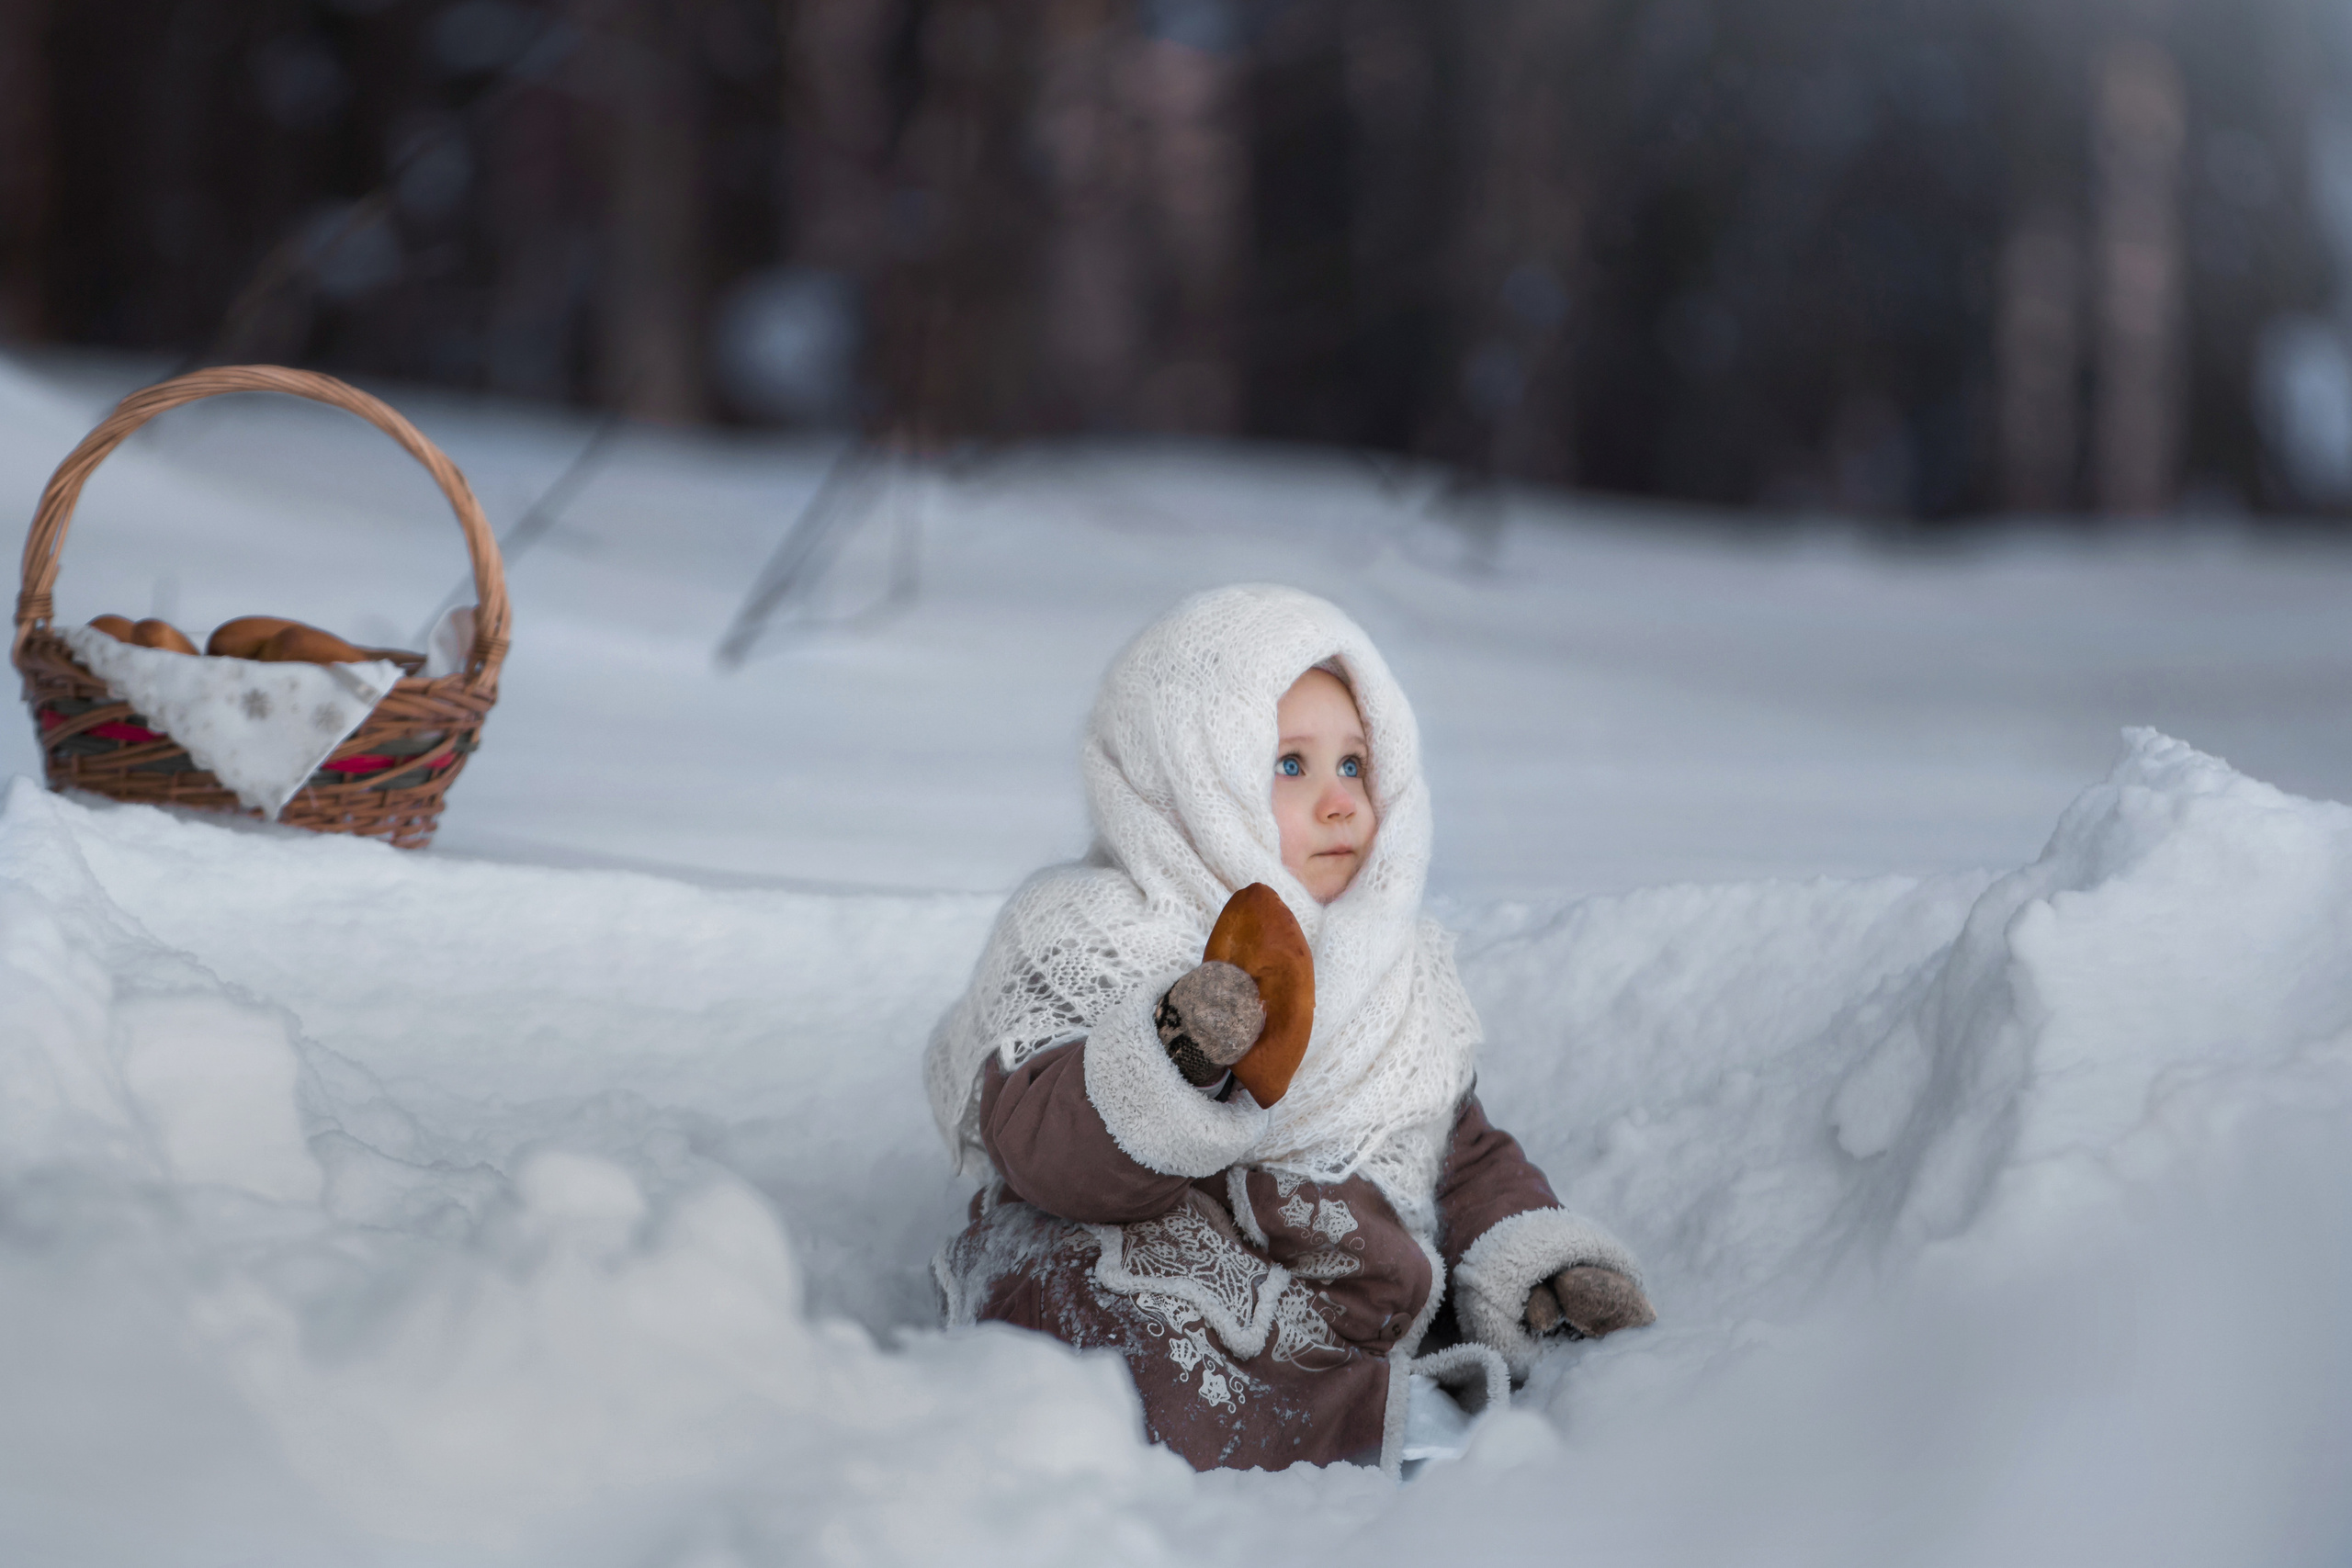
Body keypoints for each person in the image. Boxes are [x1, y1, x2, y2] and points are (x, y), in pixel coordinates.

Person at [924, 584, 1652, 1473]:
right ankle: (1105, 1452)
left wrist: (1534, 1262)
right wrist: (1170, 1054)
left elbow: (1457, 1153)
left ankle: (1391, 1426)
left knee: (1378, 1346)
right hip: (1142, 1273)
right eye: (1291, 766)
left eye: (1354, 765)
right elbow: (1038, 1142)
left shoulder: (1397, 974)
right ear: (1189, 777)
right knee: (1096, 1302)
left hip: (1331, 1317)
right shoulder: (1085, 935)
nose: (1341, 802)